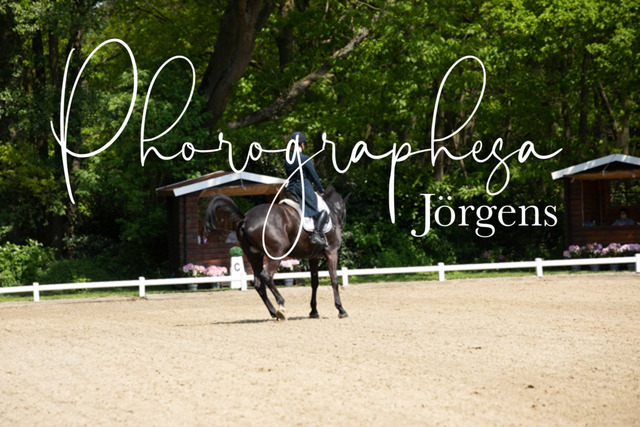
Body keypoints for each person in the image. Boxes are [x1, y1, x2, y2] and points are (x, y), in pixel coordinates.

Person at [284, 131, 329, 246]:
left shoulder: (287, 160)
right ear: (302, 144)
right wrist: (320, 190)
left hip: (290, 189)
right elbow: (314, 177)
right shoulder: (305, 159)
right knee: (324, 210)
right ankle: (317, 234)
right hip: (303, 189)